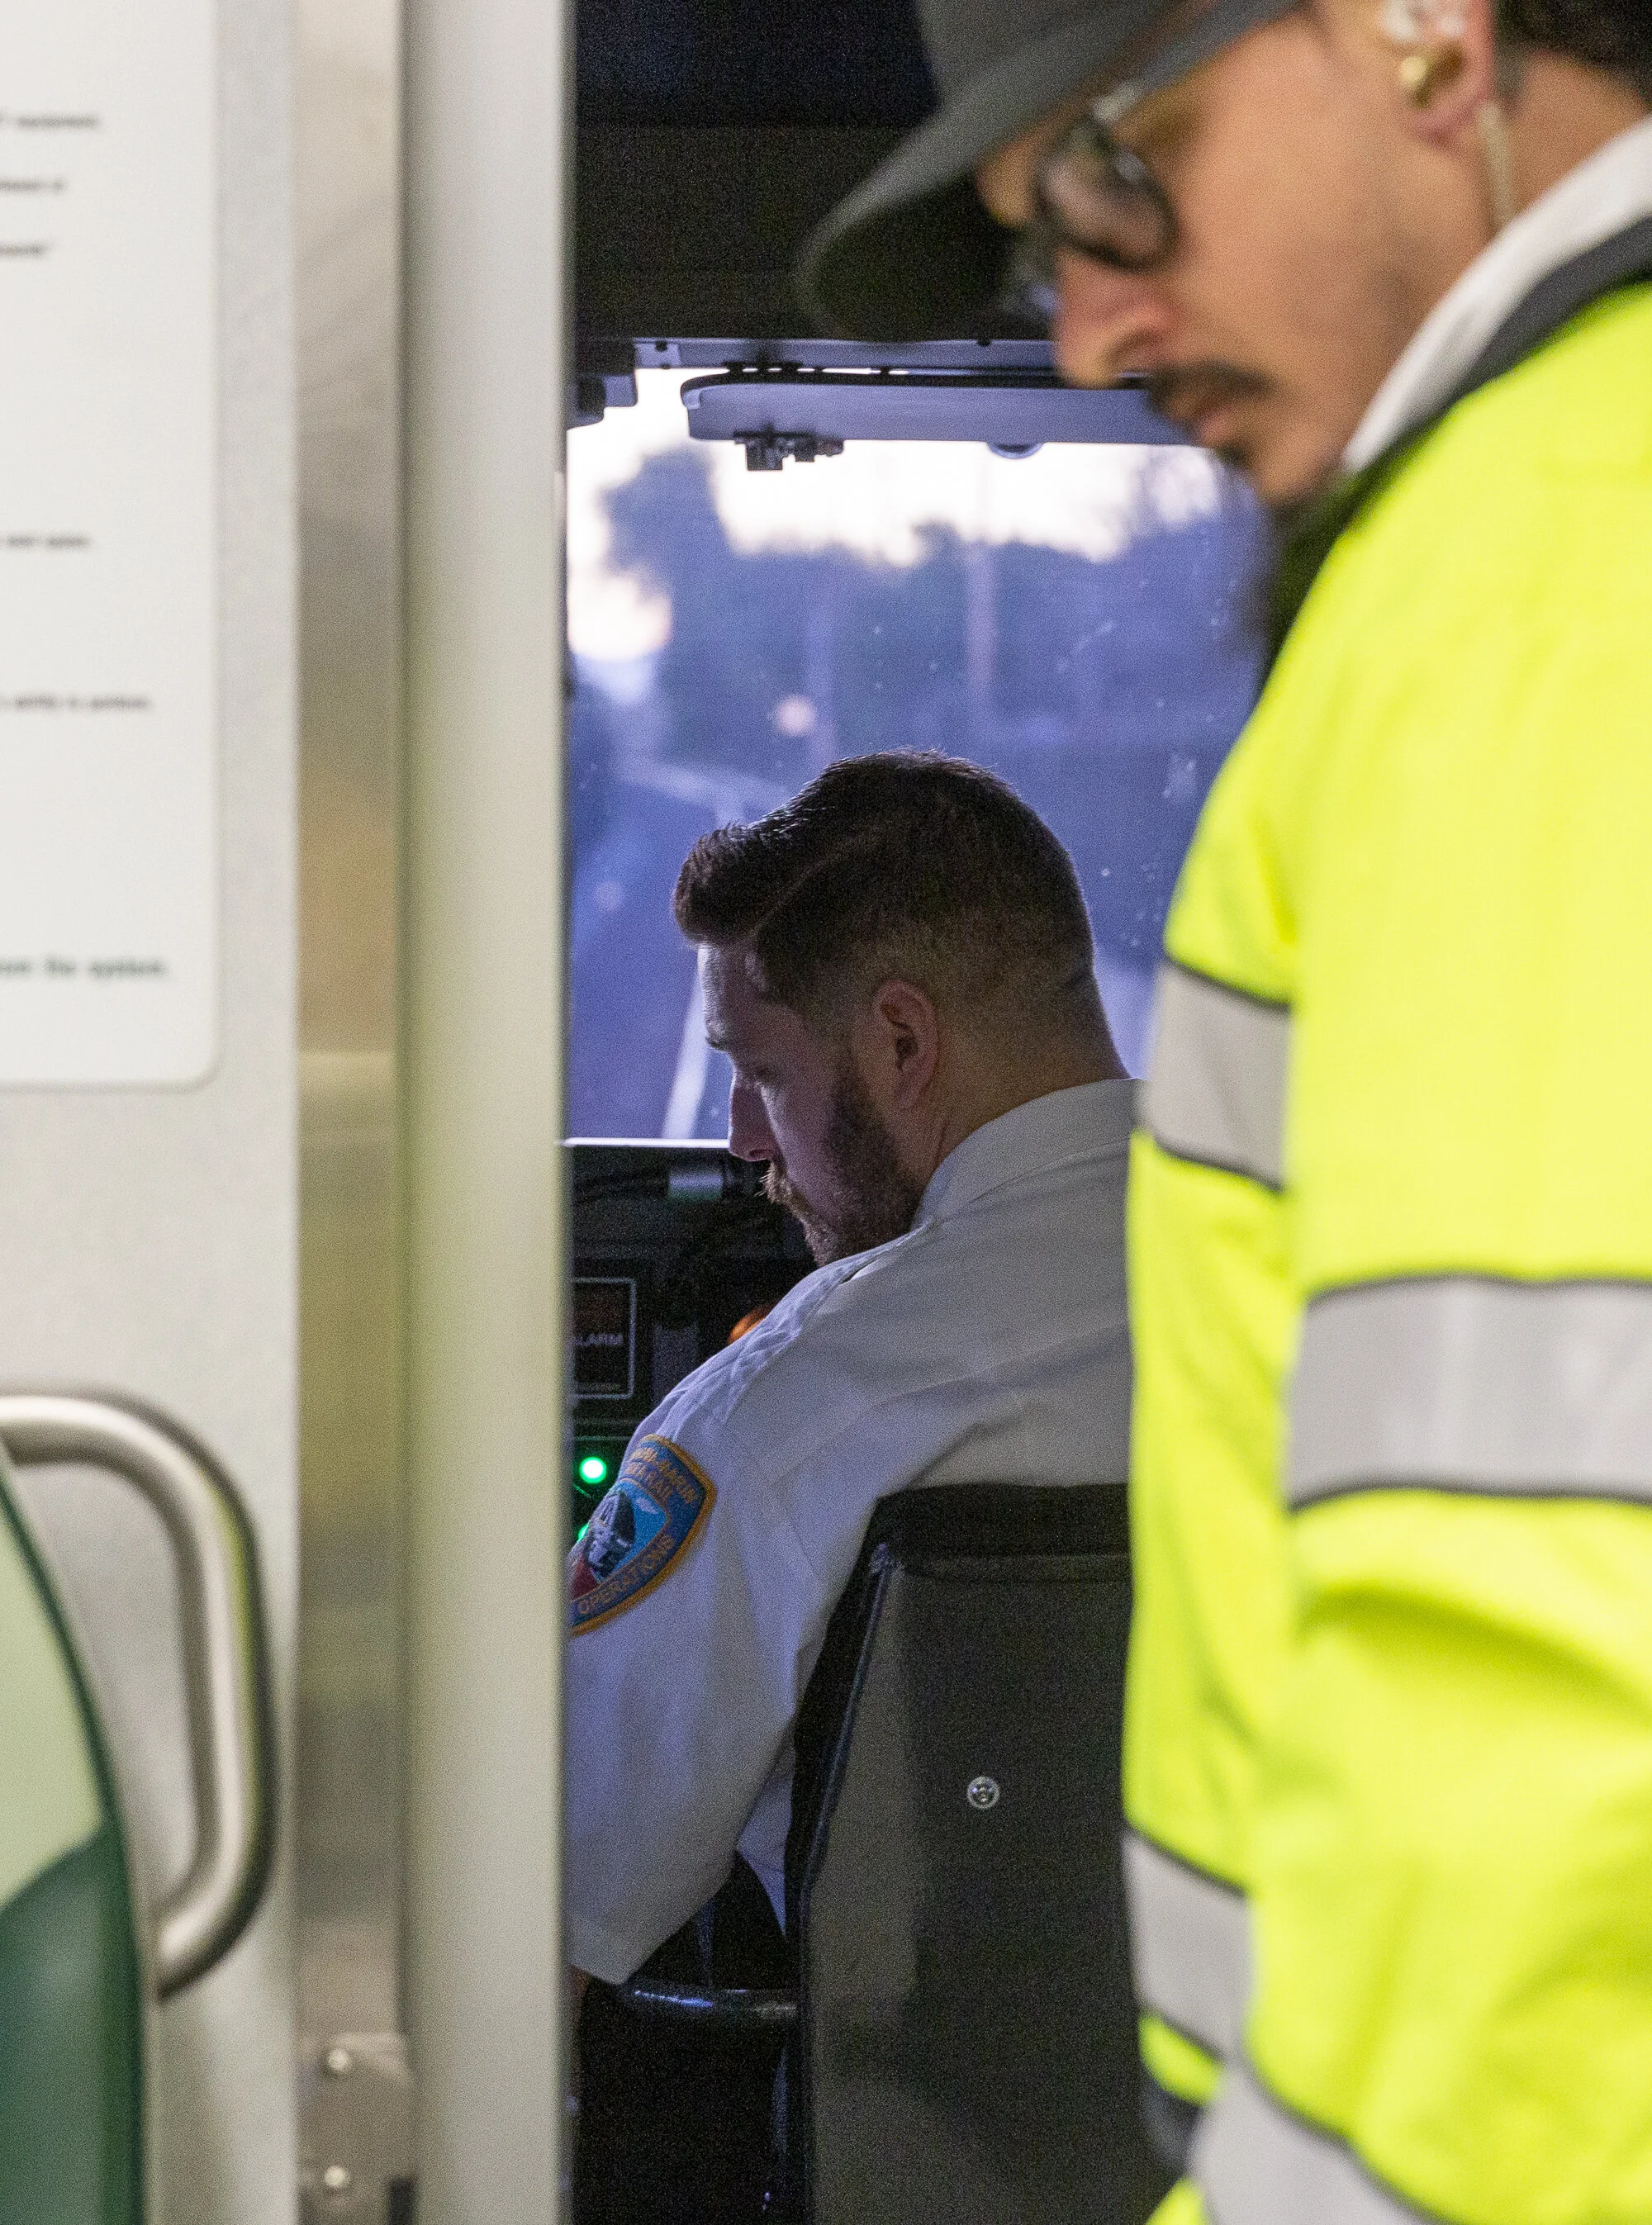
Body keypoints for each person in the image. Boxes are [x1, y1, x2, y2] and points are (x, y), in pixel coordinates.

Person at [802, 7, 1652, 2225]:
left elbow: (1545, 1622)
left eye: (1113, 170)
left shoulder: (1535, 573)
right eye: (1036, 250)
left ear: (1422, 37)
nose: (1089, 329)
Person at [565, 750, 1134, 1991]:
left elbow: (530, 1894)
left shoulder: (788, 1417)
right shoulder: (1383, 1316)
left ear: (901, 1039)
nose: (741, 1141)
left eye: (761, 1071)